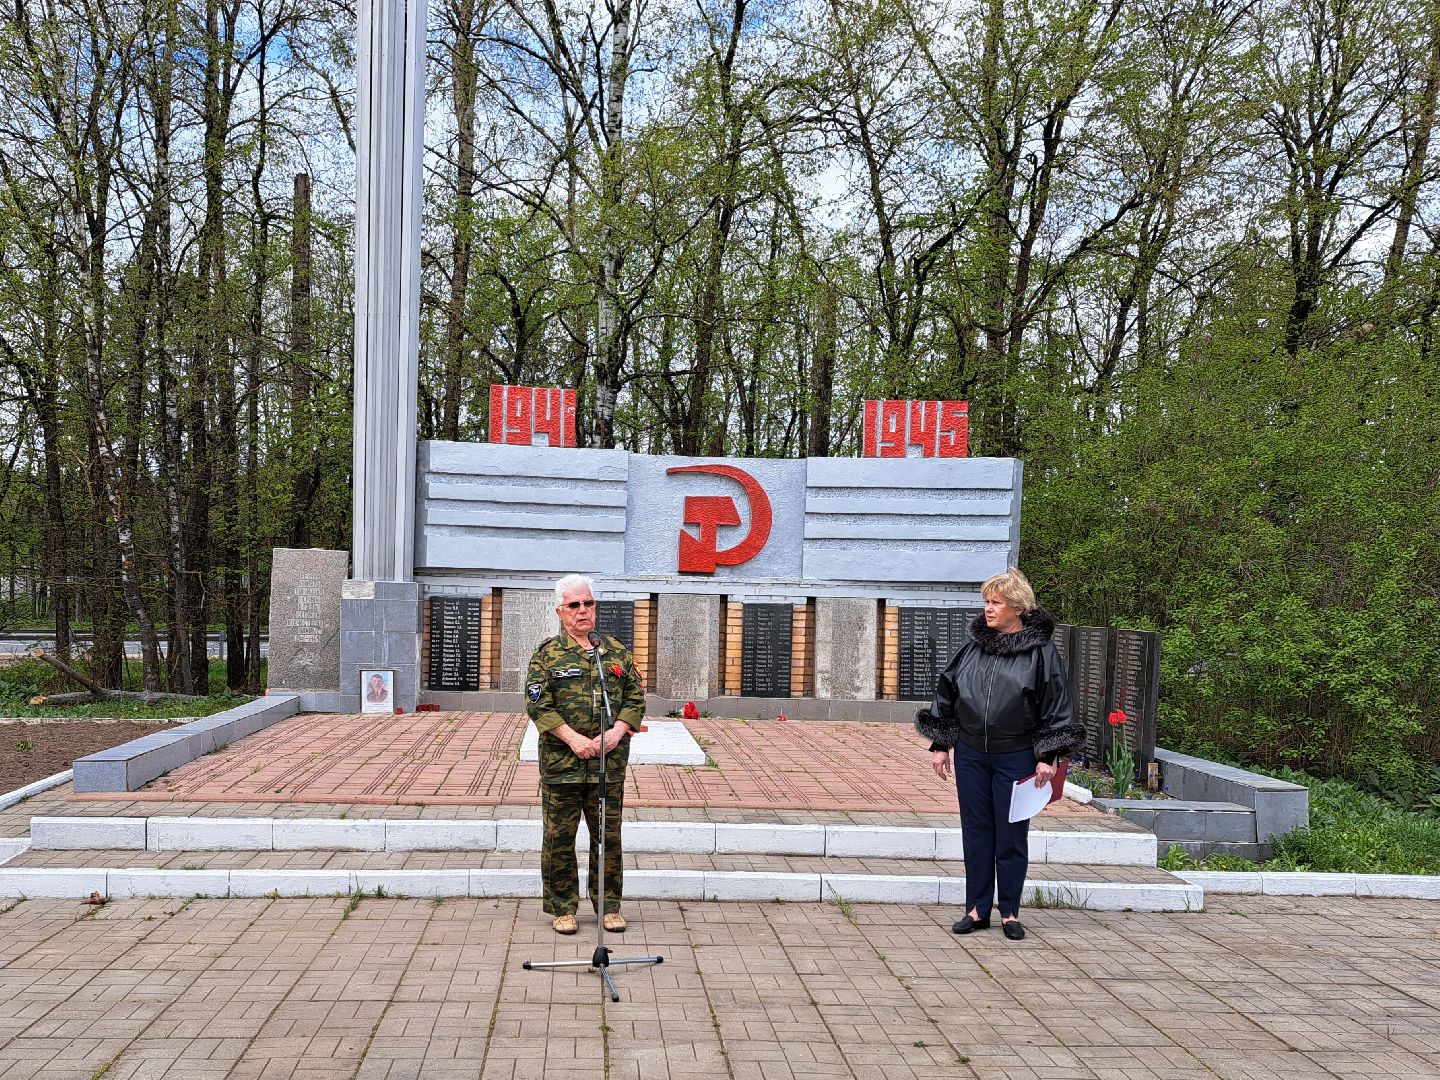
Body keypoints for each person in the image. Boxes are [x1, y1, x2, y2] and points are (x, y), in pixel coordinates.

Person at [916, 568, 1084, 941]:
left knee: (1010, 836)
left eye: (996, 602)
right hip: (972, 754)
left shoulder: (1040, 652)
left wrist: (1049, 754)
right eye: (986, 602)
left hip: (1017, 756)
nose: (988, 609)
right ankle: (976, 910)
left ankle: (1009, 911)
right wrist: (942, 744)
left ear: (1017, 607)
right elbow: (948, 693)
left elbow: (1056, 703)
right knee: (976, 833)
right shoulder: (973, 646)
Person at [526, 574, 645, 935]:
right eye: (574, 605)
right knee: (559, 837)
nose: (582, 611)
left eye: (588, 604)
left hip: (608, 764)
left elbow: (635, 698)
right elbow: (537, 704)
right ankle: (563, 907)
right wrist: (573, 739)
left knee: (607, 837)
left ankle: (609, 906)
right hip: (562, 764)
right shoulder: (547, 654)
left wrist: (616, 732)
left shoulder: (615, 651)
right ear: (560, 611)